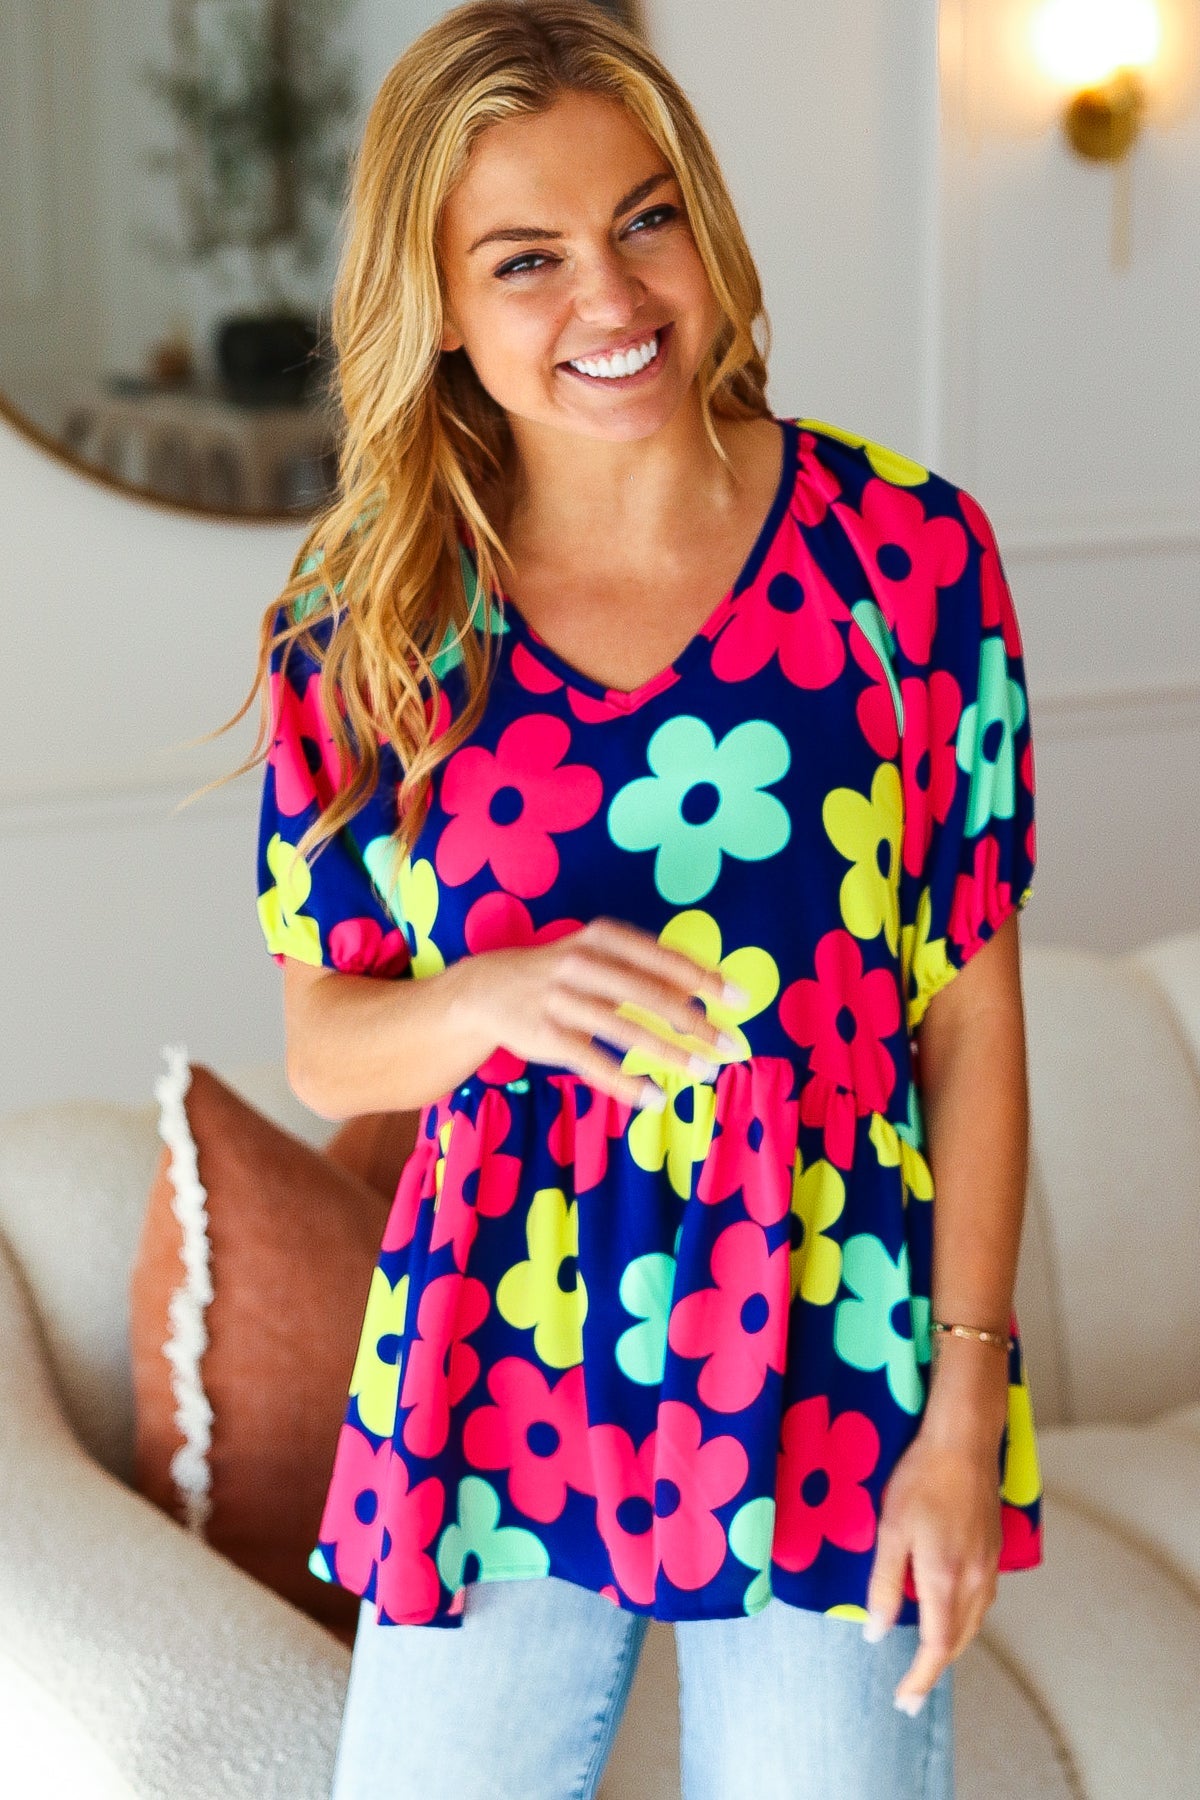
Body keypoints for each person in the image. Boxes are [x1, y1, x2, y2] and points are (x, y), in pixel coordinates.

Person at [235, 3, 1044, 1794]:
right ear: (441, 305)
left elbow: (972, 1018)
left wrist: (968, 1404)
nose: (610, 296)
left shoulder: (908, 558)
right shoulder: (369, 615)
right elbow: (326, 1045)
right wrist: (492, 1002)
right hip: (496, 1348)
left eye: (646, 218)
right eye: (525, 258)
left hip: (836, 1340)